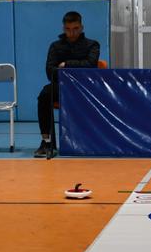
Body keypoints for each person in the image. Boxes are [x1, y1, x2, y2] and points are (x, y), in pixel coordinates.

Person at [33, 10, 101, 159]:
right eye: (68, 29)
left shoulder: (93, 45)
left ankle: (93, 140)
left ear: (81, 27)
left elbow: (91, 64)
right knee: (44, 95)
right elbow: (49, 71)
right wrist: (68, 69)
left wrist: (66, 64)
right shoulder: (55, 46)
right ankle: (46, 142)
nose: (72, 33)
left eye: (76, 29)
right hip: (63, 87)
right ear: (64, 29)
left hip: (85, 89)